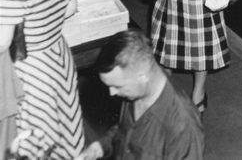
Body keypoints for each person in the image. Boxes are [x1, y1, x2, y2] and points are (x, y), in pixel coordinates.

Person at [0, 0, 84, 159]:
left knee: (37, 134)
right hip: (59, 55)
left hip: (32, 67)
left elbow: (3, 42)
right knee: (65, 119)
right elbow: (71, 8)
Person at [75, 30, 203, 160]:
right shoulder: (135, 91)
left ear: (143, 75)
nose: (112, 93)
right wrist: (100, 147)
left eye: (117, 86)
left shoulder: (183, 125)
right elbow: (126, 131)